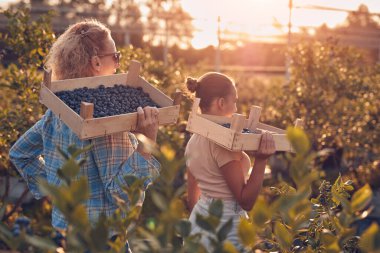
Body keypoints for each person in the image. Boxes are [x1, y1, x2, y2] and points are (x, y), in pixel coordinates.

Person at [9, 19, 160, 252]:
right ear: (97, 62)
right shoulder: (104, 123)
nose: (118, 64)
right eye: (116, 57)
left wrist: (56, 189)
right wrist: (146, 143)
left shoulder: (57, 111)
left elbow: (20, 154)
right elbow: (123, 194)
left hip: (66, 237)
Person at [185, 72, 276, 252]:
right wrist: (261, 160)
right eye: (234, 101)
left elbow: (192, 198)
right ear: (221, 103)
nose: (235, 108)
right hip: (227, 229)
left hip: (199, 222)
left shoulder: (193, 139)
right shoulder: (223, 144)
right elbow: (246, 201)